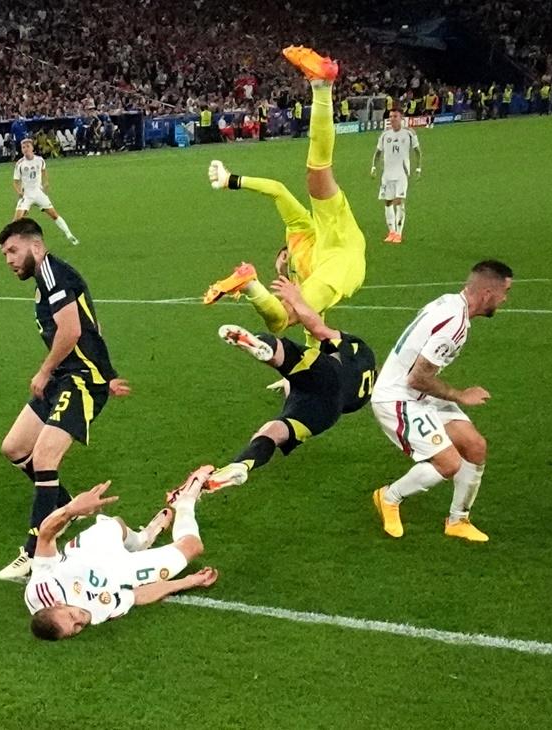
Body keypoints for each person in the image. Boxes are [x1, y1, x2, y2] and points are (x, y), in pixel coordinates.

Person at [204, 46, 367, 345]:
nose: (281, 265)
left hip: (342, 257)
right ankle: (321, 87)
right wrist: (232, 181)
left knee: (281, 318)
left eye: (281, 262)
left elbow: (278, 189)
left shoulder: (299, 233)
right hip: (341, 243)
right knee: (318, 174)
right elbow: (314, 325)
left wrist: (233, 180)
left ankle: (250, 282)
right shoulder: (300, 236)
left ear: (284, 254)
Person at [0, 218, 130, 579]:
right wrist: (112, 372)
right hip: (65, 377)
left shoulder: (53, 275)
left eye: (12, 250)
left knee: (43, 456)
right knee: (14, 448)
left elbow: (71, 330)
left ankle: (34, 548)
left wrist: (46, 371)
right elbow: (92, 327)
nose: (8, 259)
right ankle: (67, 507)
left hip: (81, 380)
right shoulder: (45, 280)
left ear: (35, 247)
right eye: (4, 254)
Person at [370, 260, 513, 543]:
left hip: (421, 394)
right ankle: (388, 497)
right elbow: (417, 378)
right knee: (448, 464)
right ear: (487, 293)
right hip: (398, 398)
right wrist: (461, 395)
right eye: (504, 292)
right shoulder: (455, 325)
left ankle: (458, 521)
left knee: (475, 446)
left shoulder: (450, 303)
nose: (505, 299)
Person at [203, 277, 377, 491]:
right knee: (272, 432)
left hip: (328, 376)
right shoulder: (363, 395)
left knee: (283, 352)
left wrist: (296, 299)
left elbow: (319, 329)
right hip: (328, 412)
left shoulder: (362, 351)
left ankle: (265, 348)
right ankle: (242, 465)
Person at [26, 471, 218, 640]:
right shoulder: (96, 614)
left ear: (57, 604)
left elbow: (45, 536)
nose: (80, 620)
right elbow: (136, 596)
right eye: (76, 629)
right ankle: (184, 500)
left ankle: (143, 539)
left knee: (116, 524)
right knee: (193, 547)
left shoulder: (42, 589)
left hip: (88, 553)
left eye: (71, 616)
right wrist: (188, 581)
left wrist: (70, 510)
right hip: (123, 572)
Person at [12, 138, 79, 245]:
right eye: (23, 147)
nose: (26, 149)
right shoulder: (20, 164)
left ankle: (69, 234)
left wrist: (46, 182)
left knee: (54, 214)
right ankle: (11, 242)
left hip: (38, 193)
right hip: (27, 195)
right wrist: (19, 192)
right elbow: (15, 181)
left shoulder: (40, 160)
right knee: (16, 221)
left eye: (28, 146)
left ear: (32, 148)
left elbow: (43, 171)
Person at [370, 110, 421, 244]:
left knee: (399, 202)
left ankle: (399, 233)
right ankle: (391, 232)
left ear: (401, 118)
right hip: (387, 174)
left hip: (401, 174)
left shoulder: (409, 133)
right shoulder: (385, 135)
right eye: (390, 116)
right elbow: (378, 153)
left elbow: (417, 152)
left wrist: (418, 168)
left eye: (395, 116)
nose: (392, 119)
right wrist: (373, 167)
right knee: (387, 202)